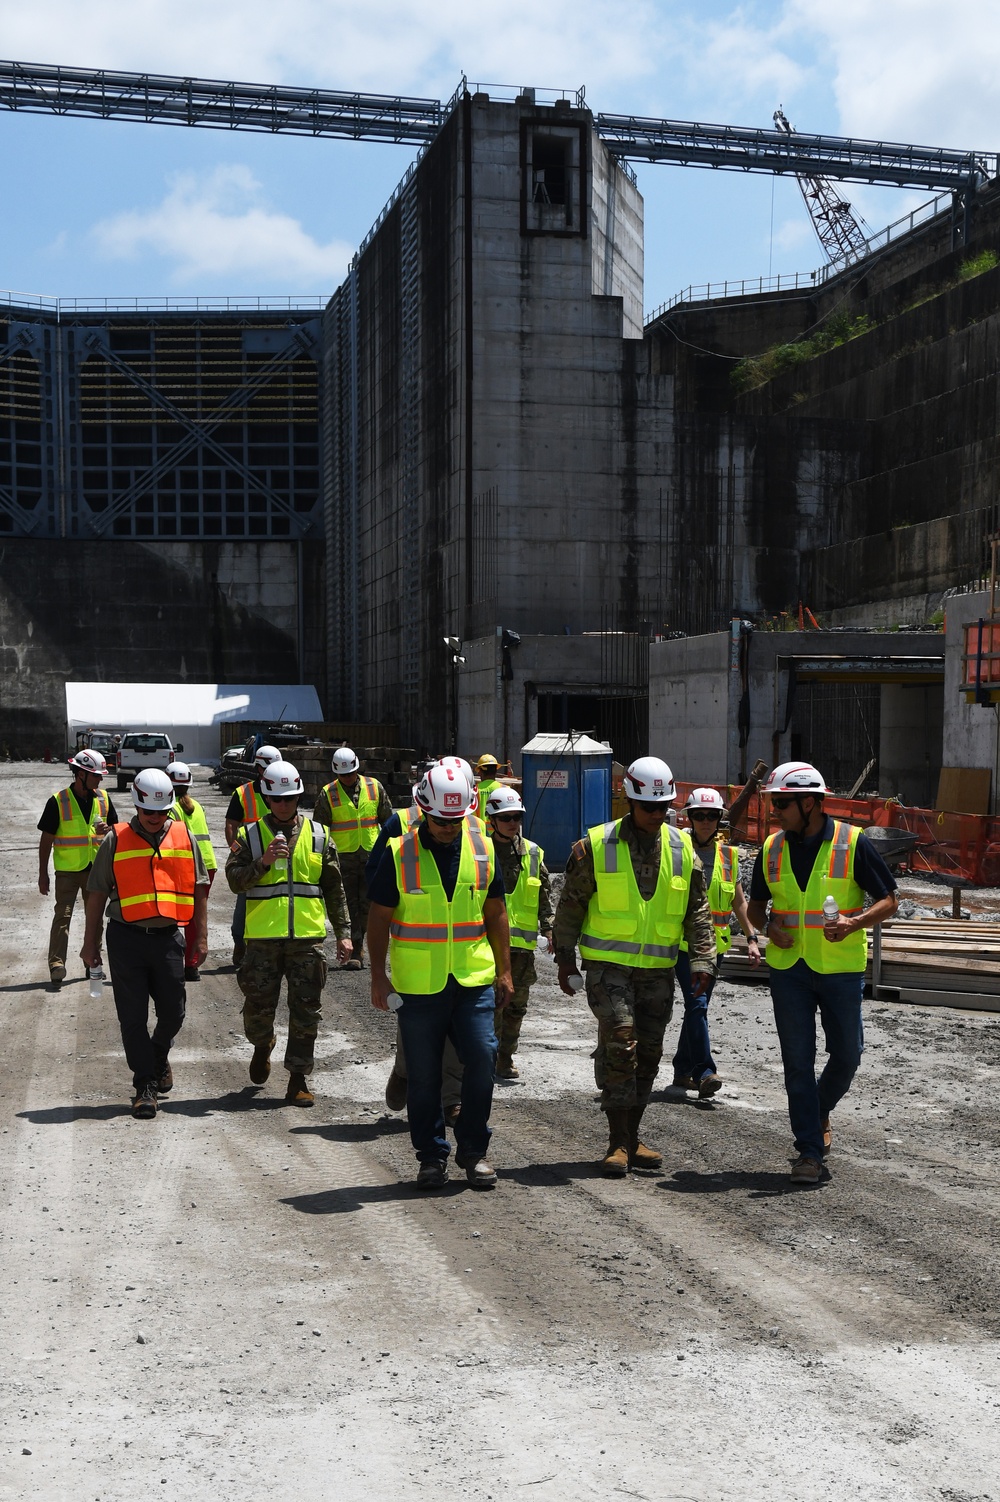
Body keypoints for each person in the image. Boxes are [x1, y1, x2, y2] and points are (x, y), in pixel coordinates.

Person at [553, 755, 717, 1177]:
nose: (657, 815)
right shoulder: (596, 844)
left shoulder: (682, 850)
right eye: (649, 807)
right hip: (608, 968)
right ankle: (616, 1141)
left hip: (658, 971)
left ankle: (632, 1135)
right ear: (629, 801)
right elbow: (571, 904)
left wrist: (702, 958)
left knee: (649, 1054)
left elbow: (697, 910)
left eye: (663, 807)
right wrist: (565, 957)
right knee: (621, 1043)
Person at [746, 761, 898, 1185]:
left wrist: (854, 922)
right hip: (788, 971)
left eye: (782, 803)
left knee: (848, 1054)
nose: (776, 810)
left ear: (809, 802)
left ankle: (817, 1110)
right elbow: (756, 907)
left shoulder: (853, 843)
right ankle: (809, 1152)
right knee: (797, 1062)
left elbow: (890, 900)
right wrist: (766, 926)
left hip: (839, 968)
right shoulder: (772, 848)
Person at [367, 764, 513, 1190]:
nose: (448, 828)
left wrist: (505, 971)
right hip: (418, 985)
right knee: (425, 1074)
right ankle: (431, 1157)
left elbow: (496, 911)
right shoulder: (398, 853)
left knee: (483, 1057)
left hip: (472, 978)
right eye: (440, 821)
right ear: (422, 811)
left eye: (456, 820)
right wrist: (378, 975)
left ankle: (474, 1151)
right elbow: (378, 917)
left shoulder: (483, 848)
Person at [81, 768, 209, 1120]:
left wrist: (203, 934)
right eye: (148, 811)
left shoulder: (184, 836)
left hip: (169, 939)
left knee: (174, 1012)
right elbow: (95, 894)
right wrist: (89, 944)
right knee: (133, 1017)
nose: (155, 818)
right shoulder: (116, 839)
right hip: (125, 939)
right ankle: (145, 1085)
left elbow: (200, 888)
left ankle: (157, 1055)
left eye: (161, 811)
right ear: (136, 805)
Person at [225, 759, 352, 1107]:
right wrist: (262, 862)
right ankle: (262, 1043)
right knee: (257, 1010)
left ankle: (298, 1077)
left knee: (307, 1011)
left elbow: (334, 889)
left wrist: (343, 933)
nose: (284, 805)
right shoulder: (249, 836)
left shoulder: (320, 836)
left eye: (290, 798)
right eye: (277, 799)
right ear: (267, 799)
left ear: (299, 797)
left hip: (307, 941)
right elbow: (234, 882)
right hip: (262, 942)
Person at [367, 761, 474, 1120]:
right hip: (417, 956)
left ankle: (452, 1099)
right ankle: (403, 1071)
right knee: (417, 1035)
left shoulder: (475, 829)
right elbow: (376, 881)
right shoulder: (399, 823)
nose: (449, 824)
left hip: (462, 958)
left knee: (459, 1035)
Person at [672, 786, 762, 1097]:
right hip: (685, 946)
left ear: (720, 819)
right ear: (690, 818)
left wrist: (751, 936)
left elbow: (739, 902)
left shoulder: (729, 856)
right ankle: (705, 1070)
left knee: (698, 1007)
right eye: (699, 815)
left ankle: (682, 1069)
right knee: (697, 1005)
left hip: (717, 947)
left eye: (712, 816)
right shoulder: (677, 851)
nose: (706, 821)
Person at [484, 785, 553, 1080]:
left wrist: (549, 928)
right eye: (506, 817)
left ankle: (505, 1059)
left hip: (522, 952)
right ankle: (484, 1061)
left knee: (515, 1010)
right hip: (487, 948)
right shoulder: (480, 853)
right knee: (490, 1010)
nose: (513, 823)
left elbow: (545, 897)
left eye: (517, 817)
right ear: (492, 820)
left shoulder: (534, 854)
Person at [37, 749, 119, 987]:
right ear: (80, 774)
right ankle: (56, 965)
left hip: (96, 871)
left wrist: (110, 830)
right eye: (96, 775)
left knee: (95, 920)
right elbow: (46, 840)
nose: (100, 779)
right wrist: (43, 874)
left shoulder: (103, 798)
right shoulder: (58, 801)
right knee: (62, 916)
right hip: (67, 871)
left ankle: (92, 961)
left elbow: (118, 831)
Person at [313, 746, 393, 971]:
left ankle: (364, 944)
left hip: (371, 855)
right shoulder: (328, 793)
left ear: (357, 768)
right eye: (342, 775)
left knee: (369, 903)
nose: (347, 778)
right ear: (336, 773)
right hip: (342, 858)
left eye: (350, 773)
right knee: (347, 904)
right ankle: (355, 949)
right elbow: (320, 829)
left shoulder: (374, 787)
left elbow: (388, 821)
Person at [224, 743, 281, 968]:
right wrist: (238, 854)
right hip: (252, 862)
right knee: (244, 907)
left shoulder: (281, 790)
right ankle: (240, 945)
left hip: (278, 858)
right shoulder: (243, 793)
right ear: (259, 769)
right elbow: (231, 826)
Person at [167, 761, 218, 982]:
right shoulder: (197, 805)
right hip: (208, 864)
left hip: (188, 865)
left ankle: (181, 964)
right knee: (196, 917)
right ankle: (192, 965)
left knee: (182, 916)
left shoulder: (170, 809)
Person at [473, 754, 503, 820]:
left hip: (480, 829)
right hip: (500, 829)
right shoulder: (505, 789)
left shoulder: (474, 791)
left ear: (480, 772)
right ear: (496, 771)